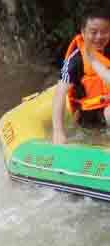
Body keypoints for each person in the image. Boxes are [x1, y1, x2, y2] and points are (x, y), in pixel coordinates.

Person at [52, 7, 110, 144]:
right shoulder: (75, 60)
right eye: (94, 32)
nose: (99, 37)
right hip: (89, 116)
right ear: (83, 33)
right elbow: (59, 94)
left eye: (105, 32)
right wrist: (58, 131)